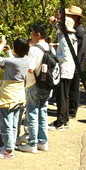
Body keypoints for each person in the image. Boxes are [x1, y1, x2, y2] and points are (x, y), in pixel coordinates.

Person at [0, 36, 32, 159]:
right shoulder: (27, 60)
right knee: (14, 124)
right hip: (19, 95)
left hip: (8, 96)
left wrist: (1, 44)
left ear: (16, 49)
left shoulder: (13, 62)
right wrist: (9, 51)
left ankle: (8, 150)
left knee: (5, 123)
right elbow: (14, 61)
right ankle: (9, 146)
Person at [17, 23, 52, 153]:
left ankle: (32, 143)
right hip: (47, 85)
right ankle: (43, 142)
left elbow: (30, 69)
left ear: (38, 34)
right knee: (43, 113)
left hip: (34, 85)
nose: (30, 35)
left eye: (32, 33)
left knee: (32, 113)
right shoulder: (50, 47)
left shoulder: (34, 50)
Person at [52, 16, 80, 130]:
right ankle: (65, 118)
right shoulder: (72, 37)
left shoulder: (65, 39)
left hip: (64, 70)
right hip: (70, 69)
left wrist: (54, 55)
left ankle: (60, 121)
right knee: (65, 96)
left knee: (61, 97)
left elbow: (65, 56)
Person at [66, 6, 86, 119]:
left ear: (75, 17)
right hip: (73, 63)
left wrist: (76, 64)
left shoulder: (80, 31)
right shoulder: (75, 28)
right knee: (70, 88)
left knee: (74, 88)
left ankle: (72, 111)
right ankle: (68, 109)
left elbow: (82, 49)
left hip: (77, 64)